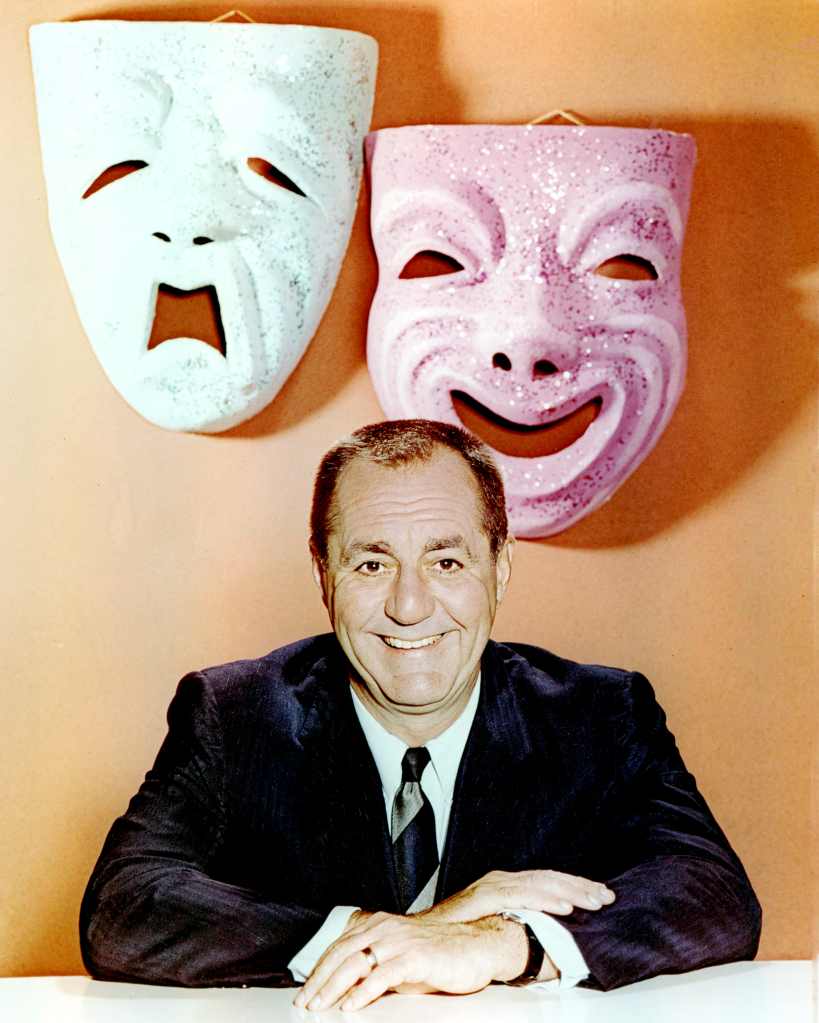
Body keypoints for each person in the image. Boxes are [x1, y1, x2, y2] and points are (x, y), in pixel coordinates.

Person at [80, 419, 761, 1009]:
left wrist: (500, 943)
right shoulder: (234, 713)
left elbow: (712, 890)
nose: (410, 605)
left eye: (445, 560)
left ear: (499, 567)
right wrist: (393, 932)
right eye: (372, 564)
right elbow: (124, 905)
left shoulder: (599, 714)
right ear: (323, 573)